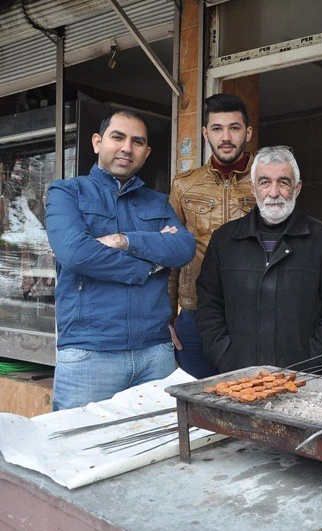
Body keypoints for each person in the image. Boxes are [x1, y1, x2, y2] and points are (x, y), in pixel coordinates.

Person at [45, 110, 195, 411]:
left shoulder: (157, 202)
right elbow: (76, 253)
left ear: (146, 152)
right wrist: (150, 265)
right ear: (97, 142)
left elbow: (183, 248)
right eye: (118, 137)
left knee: (157, 440)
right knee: (81, 440)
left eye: (137, 142)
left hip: (155, 353)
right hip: (90, 353)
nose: (127, 148)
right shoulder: (67, 193)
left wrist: (123, 240)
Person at [195, 146, 322, 374]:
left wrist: (312, 362)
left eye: (283, 182)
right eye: (264, 182)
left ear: (297, 188)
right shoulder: (224, 241)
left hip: (303, 379)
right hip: (239, 377)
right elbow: (209, 304)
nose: (273, 192)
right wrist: (224, 356)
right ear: (253, 188)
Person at [168, 93, 256, 378]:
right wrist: (166, 317)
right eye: (217, 128)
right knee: (195, 399)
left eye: (234, 128)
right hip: (194, 314)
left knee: (249, 396)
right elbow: (170, 255)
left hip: (252, 314)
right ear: (206, 134)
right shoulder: (184, 186)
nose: (226, 137)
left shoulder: (265, 182)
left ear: (248, 133)